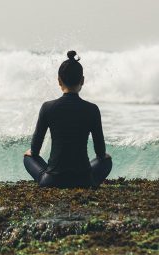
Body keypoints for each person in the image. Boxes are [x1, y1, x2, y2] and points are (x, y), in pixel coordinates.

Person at [23, 51, 112, 188]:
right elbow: (100, 153)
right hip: (84, 181)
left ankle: (49, 175)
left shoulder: (47, 107)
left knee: (28, 157)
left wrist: (32, 154)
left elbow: (35, 150)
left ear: (59, 81)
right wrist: (103, 157)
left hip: (51, 181)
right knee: (107, 160)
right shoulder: (92, 109)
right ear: (82, 80)